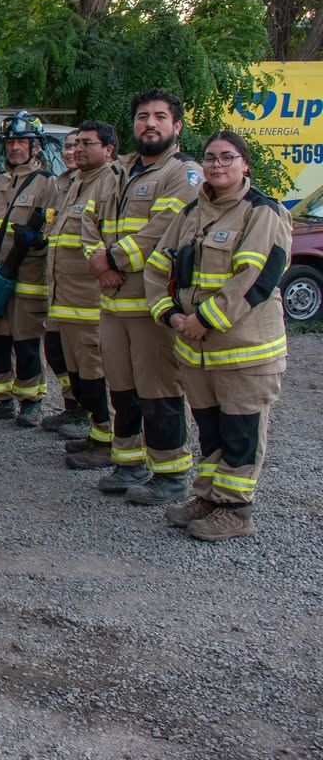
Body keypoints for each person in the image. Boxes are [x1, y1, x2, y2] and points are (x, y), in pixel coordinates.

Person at [144, 131, 291, 540]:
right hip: (196, 348)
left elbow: (255, 278)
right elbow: (158, 267)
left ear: (245, 165)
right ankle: (208, 497)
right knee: (210, 429)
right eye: (210, 158)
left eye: (227, 158)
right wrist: (172, 316)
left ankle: (236, 510)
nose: (217, 165)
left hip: (244, 350)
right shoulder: (191, 213)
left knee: (241, 432)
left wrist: (203, 320)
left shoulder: (263, 213)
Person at [84, 89, 203, 504]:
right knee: (122, 388)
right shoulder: (116, 171)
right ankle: (129, 463)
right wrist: (97, 260)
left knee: (159, 391)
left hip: (151, 305)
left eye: (159, 117)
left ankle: (171, 474)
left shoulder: (183, 174)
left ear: (176, 127)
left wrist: (112, 259)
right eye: (141, 116)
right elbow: (88, 220)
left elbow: (164, 229)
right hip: (112, 302)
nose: (149, 123)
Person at [0, 112, 56, 426]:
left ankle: (32, 401)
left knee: (27, 343)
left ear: (36, 146)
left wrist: (39, 241)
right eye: (11, 142)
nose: (15, 148)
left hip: (29, 279)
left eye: (22, 142)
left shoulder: (48, 184)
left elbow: (56, 230)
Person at [48, 120, 118, 468]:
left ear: (108, 150)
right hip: (67, 302)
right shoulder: (77, 183)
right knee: (79, 377)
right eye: (73, 144)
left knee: (96, 376)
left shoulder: (109, 184)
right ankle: (96, 433)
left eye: (85, 144)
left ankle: (109, 442)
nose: (76, 150)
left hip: (91, 304)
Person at [43, 129, 86, 431]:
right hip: (58, 289)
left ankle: (92, 417)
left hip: (86, 293)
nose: (70, 152)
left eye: (78, 146)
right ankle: (73, 405)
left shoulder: (100, 185)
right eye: (68, 146)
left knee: (89, 359)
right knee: (57, 350)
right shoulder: (63, 186)